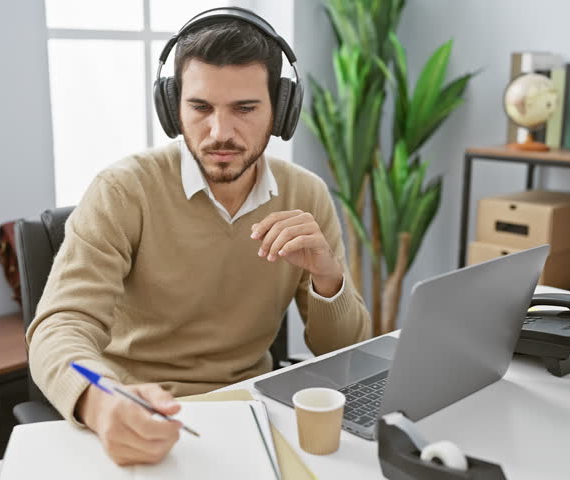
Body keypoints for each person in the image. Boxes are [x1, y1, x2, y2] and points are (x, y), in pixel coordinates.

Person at [26, 7, 370, 467]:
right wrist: (101, 401)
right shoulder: (124, 190)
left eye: (245, 109)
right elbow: (58, 328)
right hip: (141, 413)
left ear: (280, 111)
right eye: (200, 107)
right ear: (173, 107)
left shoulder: (305, 194)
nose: (220, 132)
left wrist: (329, 279)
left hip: (255, 411)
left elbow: (343, 353)